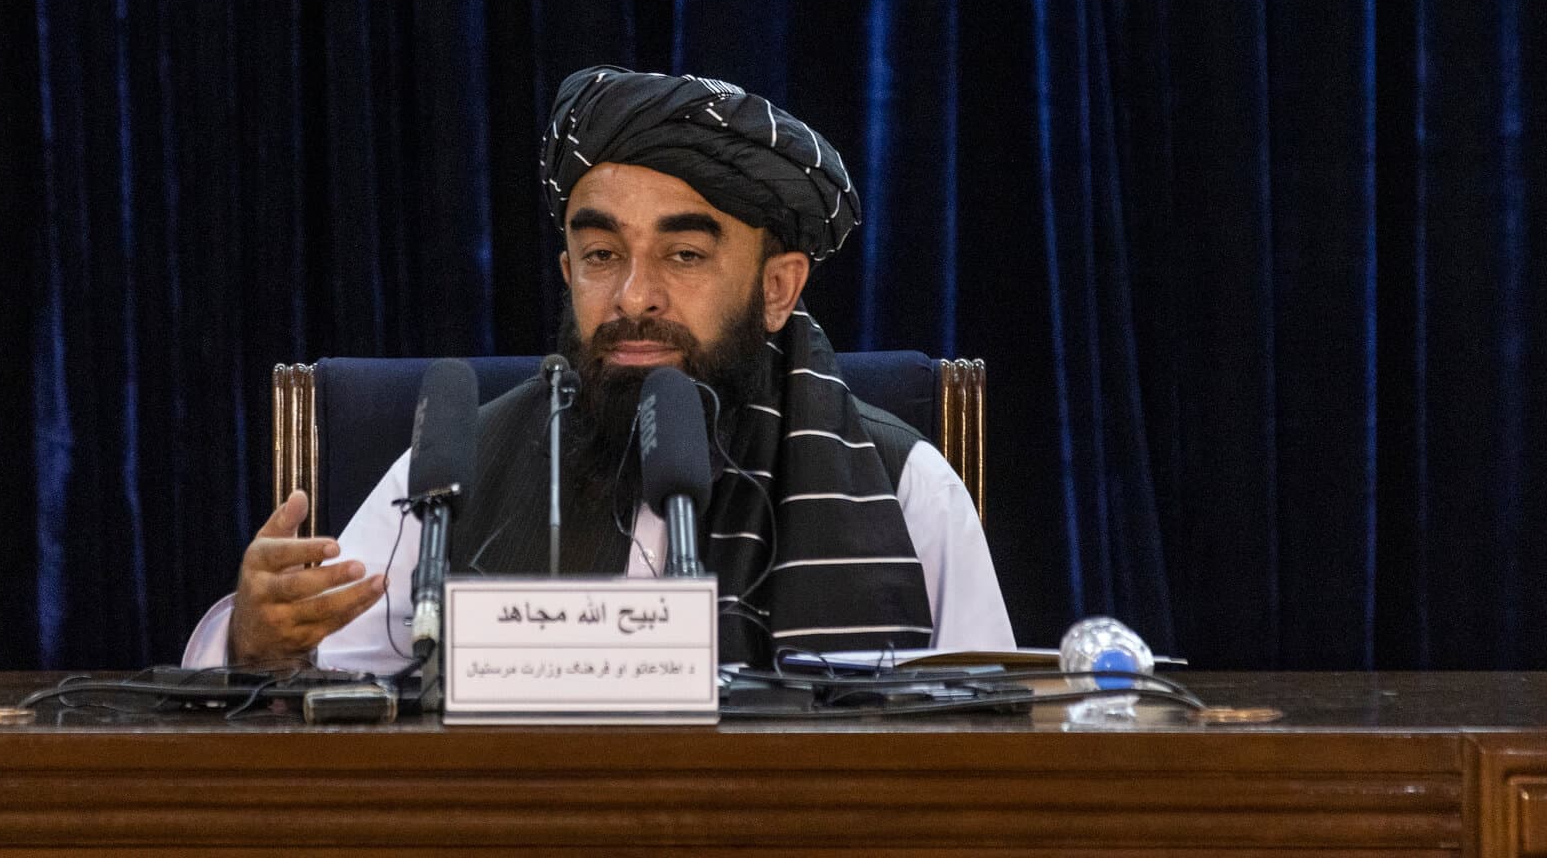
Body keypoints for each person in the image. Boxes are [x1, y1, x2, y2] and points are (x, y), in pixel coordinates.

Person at [184, 67, 1012, 670]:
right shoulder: (454, 472)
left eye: (684, 254)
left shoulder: (903, 489)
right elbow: (313, 685)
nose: (633, 295)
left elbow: (990, 749)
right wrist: (254, 643)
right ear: (568, 271)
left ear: (777, 287)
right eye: (601, 253)